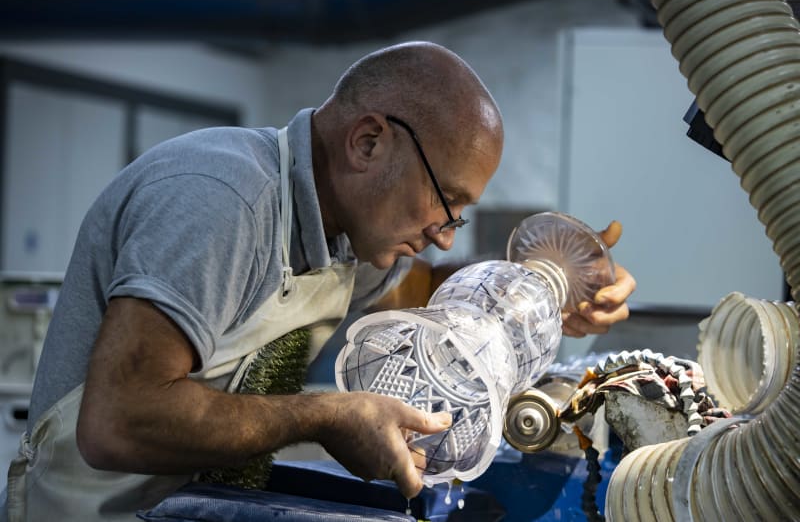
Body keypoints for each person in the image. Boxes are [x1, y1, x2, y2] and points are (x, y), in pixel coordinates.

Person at [2, 41, 635, 521]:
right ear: (367, 143)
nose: (446, 232)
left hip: (187, 502)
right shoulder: (223, 203)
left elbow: (435, 298)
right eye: (445, 200)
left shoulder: (351, 237)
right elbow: (118, 421)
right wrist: (327, 416)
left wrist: (545, 295)